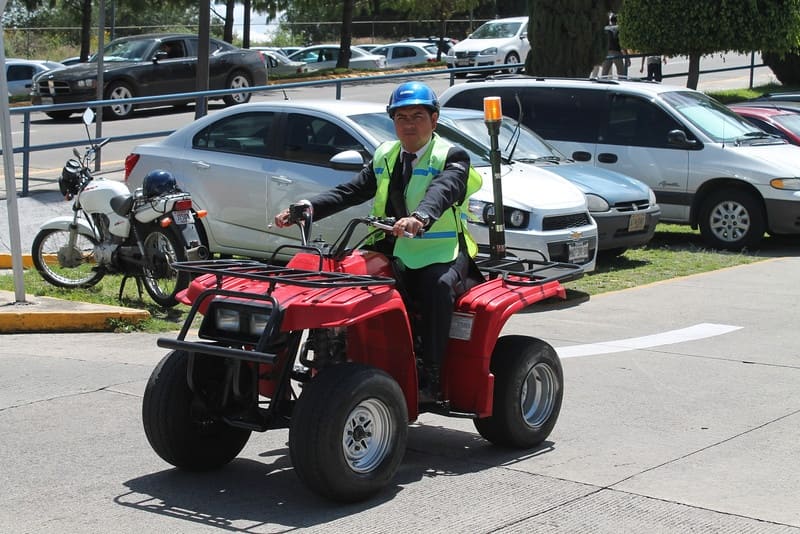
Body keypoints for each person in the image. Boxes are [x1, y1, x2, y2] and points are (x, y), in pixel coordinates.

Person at [274, 81, 482, 404]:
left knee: (437, 287)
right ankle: (335, 354)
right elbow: (352, 190)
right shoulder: (387, 155)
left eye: (417, 116)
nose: (409, 124)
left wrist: (421, 217)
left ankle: (432, 376)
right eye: (401, 117)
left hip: (441, 252)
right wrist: (309, 207)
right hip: (394, 250)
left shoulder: (451, 155)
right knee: (342, 277)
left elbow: (444, 190)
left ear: (434, 119)